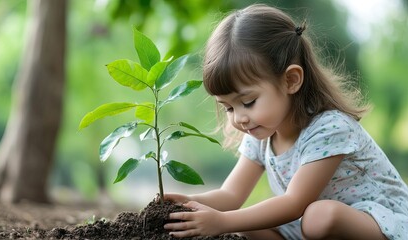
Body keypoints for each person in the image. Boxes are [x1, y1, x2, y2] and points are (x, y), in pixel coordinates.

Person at [163, 4, 408, 240]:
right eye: (228, 107)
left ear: (290, 80)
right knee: (246, 226)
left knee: (319, 216)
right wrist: (185, 204)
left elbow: (294, 203)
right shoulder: (260, 134)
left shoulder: (330, 128)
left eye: (248, 102)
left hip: (379, 222)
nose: (239, 118)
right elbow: (230, 195)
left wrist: (222, 221)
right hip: (304, 226)